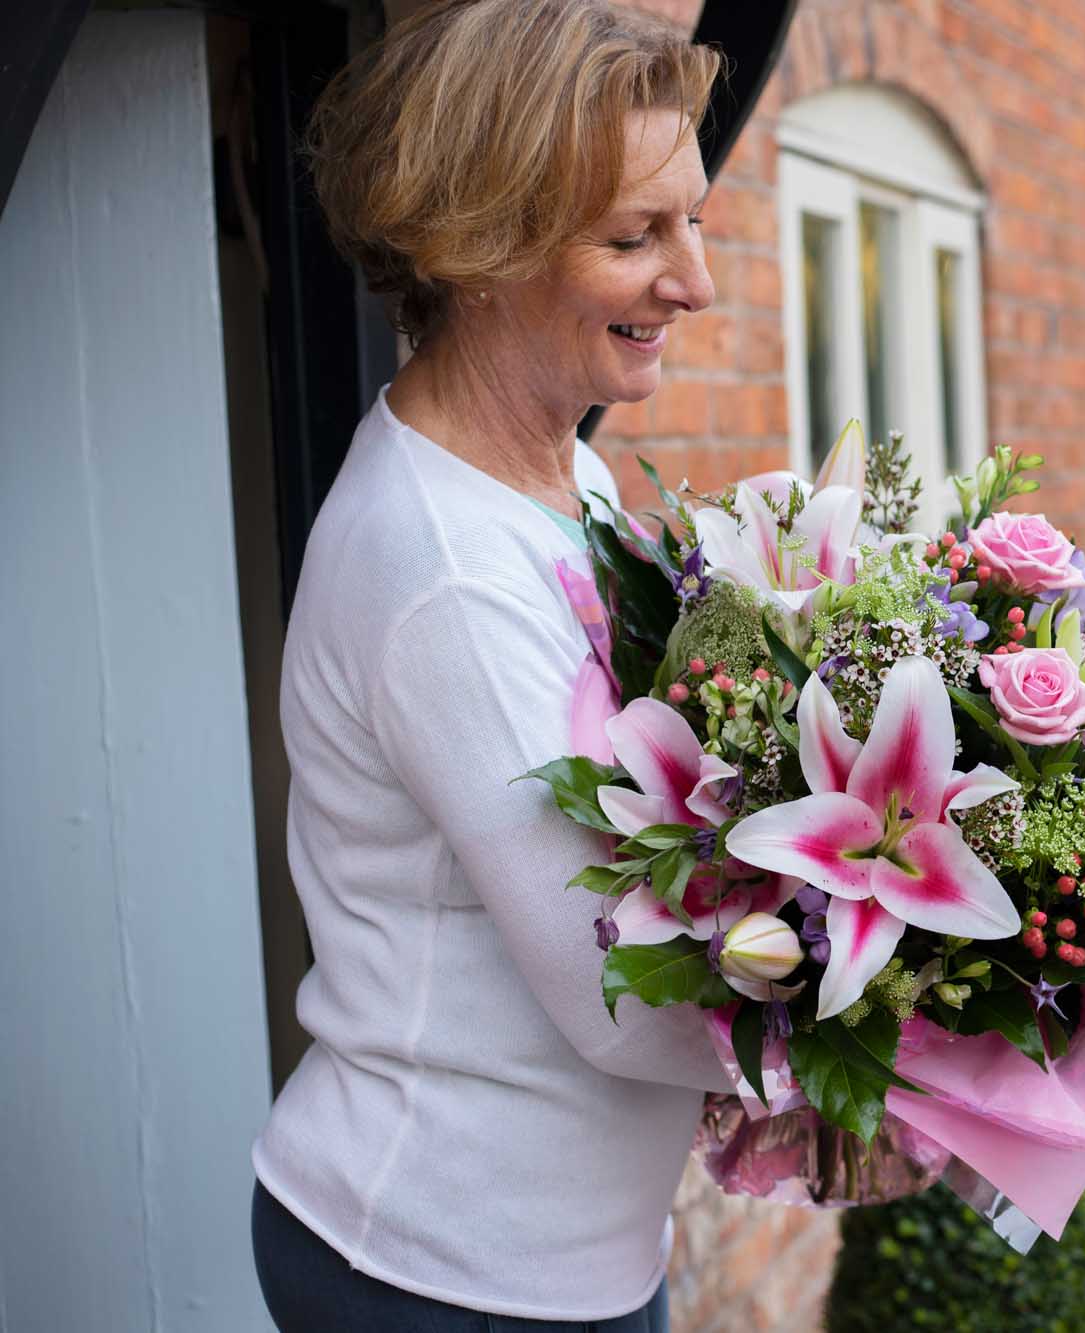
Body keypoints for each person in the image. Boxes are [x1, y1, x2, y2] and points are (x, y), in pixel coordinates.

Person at [250, 4, 730, 1327]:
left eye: (689, 221)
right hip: (436, 1269)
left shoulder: (558, 470)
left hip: (561, 1256)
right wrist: (935, 1010)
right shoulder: (443, 568)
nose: (695, 282)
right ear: (481, 250)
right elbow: (624, 993)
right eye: (635, 237)